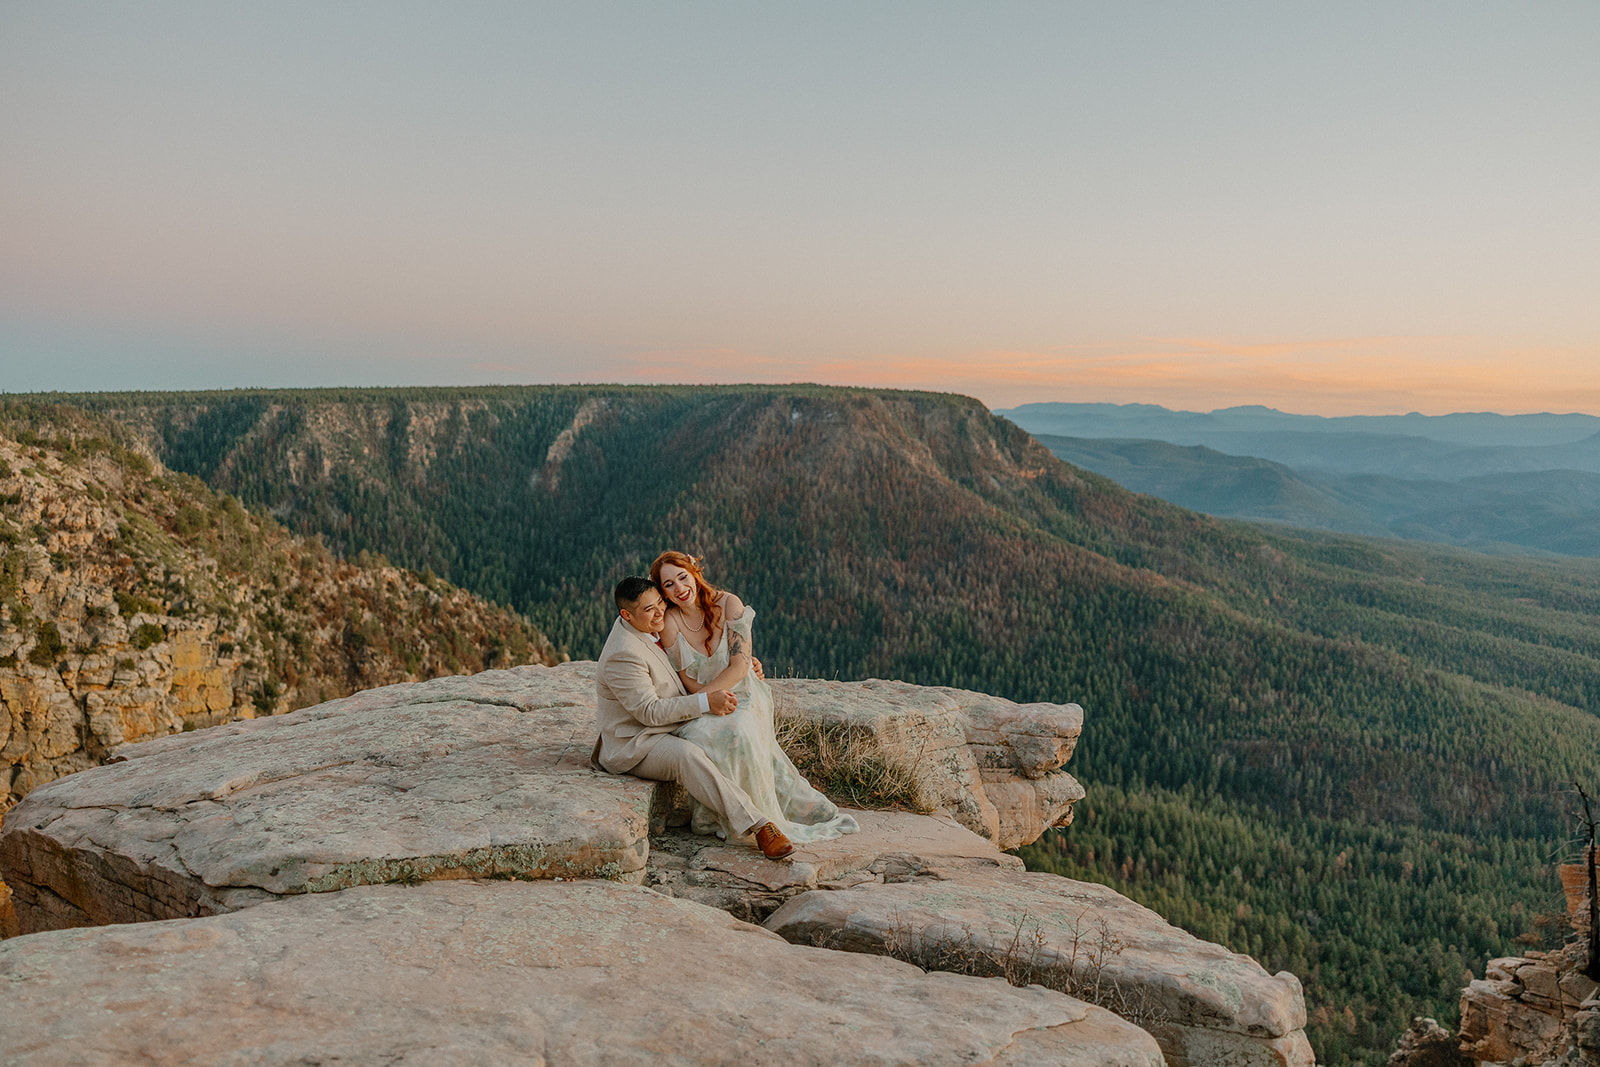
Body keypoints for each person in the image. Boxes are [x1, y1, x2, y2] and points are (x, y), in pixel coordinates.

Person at [651, 551, 859, 846]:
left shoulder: (728, 603)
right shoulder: (671, 620)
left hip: (744, 692)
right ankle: (725, 814)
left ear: (694, 573)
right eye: (669, 584)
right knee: (702, 736)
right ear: (663, 592)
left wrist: (713, 695)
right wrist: (705, 703)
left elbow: (739, 666)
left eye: (682, 577)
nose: (679, 588)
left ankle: (762, 818)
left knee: (741, 731)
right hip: (702, 698)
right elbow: (687, 680)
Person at [593, 575, 797, 860]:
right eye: (649, 610)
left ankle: (763, 803)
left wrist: (747, 667)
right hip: (637, 741)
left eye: (659, 603)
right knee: (688, 756)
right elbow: (649, 712)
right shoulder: (623, 654)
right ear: (626, 615)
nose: (660, 612)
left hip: (670, 721)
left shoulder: (649, 626)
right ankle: (758, 825)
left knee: (736, 729)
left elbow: (691, 663)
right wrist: (704, 702)